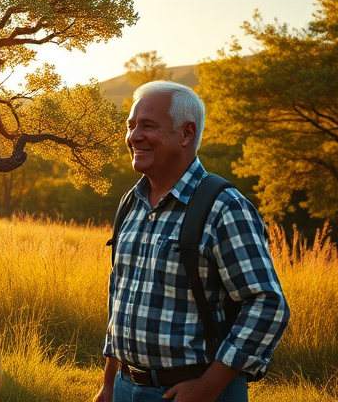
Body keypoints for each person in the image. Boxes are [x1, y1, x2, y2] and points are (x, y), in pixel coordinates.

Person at [95, 81, 290, 402]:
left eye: (148, 126)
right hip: (126, 387)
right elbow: (121, 295)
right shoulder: (131, 202)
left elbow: (268, 304)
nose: (133, 136)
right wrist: (110, 383)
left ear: (186, 134)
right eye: (131, 126)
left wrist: (209, 386)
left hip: (196, 391)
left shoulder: (224, 206)